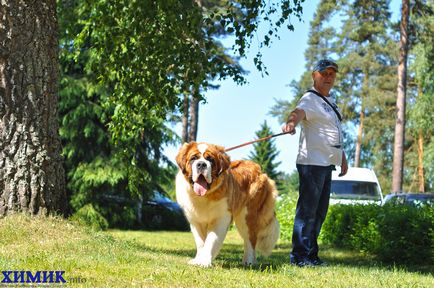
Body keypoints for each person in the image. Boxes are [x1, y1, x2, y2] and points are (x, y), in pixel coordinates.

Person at [282, 59, 348, 267]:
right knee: (307, 211)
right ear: (314, 75)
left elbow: (333, 134)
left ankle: (311, 255)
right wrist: (291, 123)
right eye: (324, 73)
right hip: (312, 163)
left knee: (319, 212)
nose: (328, 77)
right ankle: (299, 256)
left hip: (326, 163)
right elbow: (298, 112)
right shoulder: (310, 99)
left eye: (331, 74)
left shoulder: (330, 102)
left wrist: (342, 158)